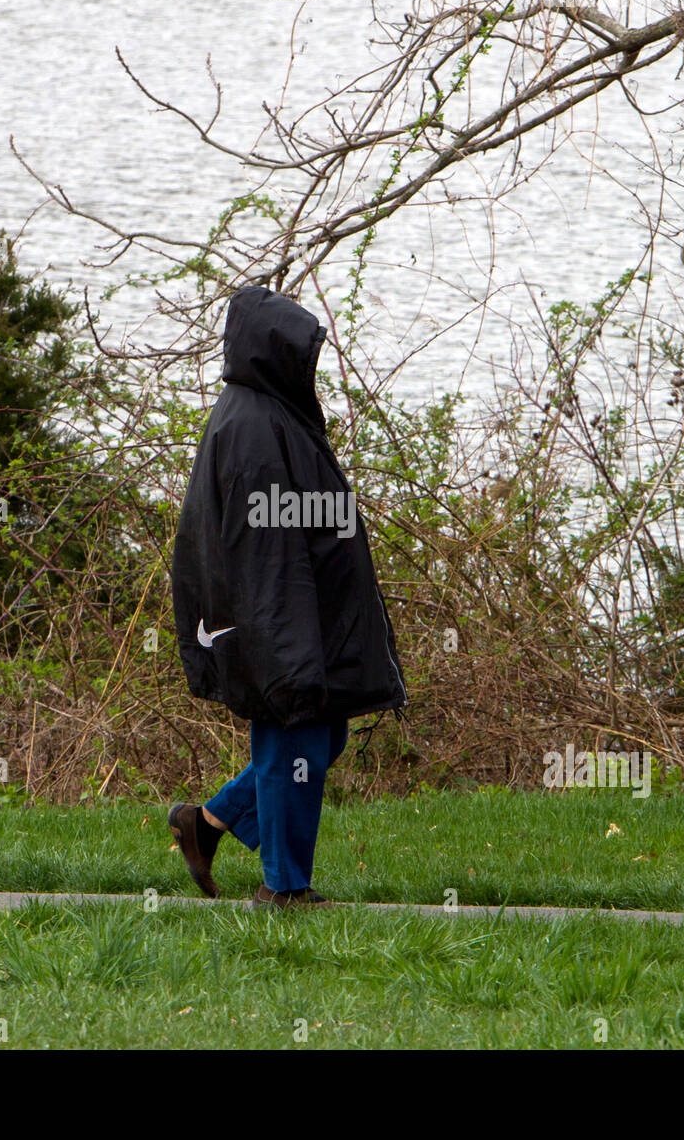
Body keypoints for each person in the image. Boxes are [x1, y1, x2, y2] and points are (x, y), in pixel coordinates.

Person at [167, 284, 407, 910]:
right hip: (278, 624)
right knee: (294, 744)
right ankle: (284, 889)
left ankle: (208, 821)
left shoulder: (268, 412)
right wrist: (287, 652)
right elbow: (264, 556)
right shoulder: (252, 428)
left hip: (301, 621)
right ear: (273, 354)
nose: (312, 370)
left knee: (322, 740)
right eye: (303, 357)